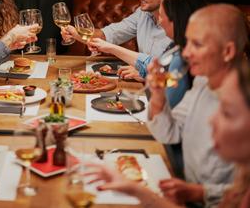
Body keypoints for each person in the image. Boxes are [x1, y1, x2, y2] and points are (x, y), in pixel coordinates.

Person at [85, 60, 250, 208]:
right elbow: (170, 130)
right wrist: (134, 189)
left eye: (227, 113)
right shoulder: (241, 185)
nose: (211, 120)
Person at [145, 4, 249, 206]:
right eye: (188, 42)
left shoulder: (244, 97)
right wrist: (158, 96)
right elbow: (170, 132)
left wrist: (200, 193)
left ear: (227, 51)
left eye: (197, 44)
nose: (186, 53)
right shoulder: (202, 82)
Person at [89, 0, 206, 108]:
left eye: (161, 16)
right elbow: (153, 64)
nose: (159, 22)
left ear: (175, 20)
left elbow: (171, 106)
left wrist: (151, 81)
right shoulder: (178, 46)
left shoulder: (182, 57)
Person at [62, 0, 177, 80]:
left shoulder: (182, 25)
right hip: (145, 86)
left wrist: (146, 75)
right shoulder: (142, 14)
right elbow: (106, 35)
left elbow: (176, 74)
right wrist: (75, 33)